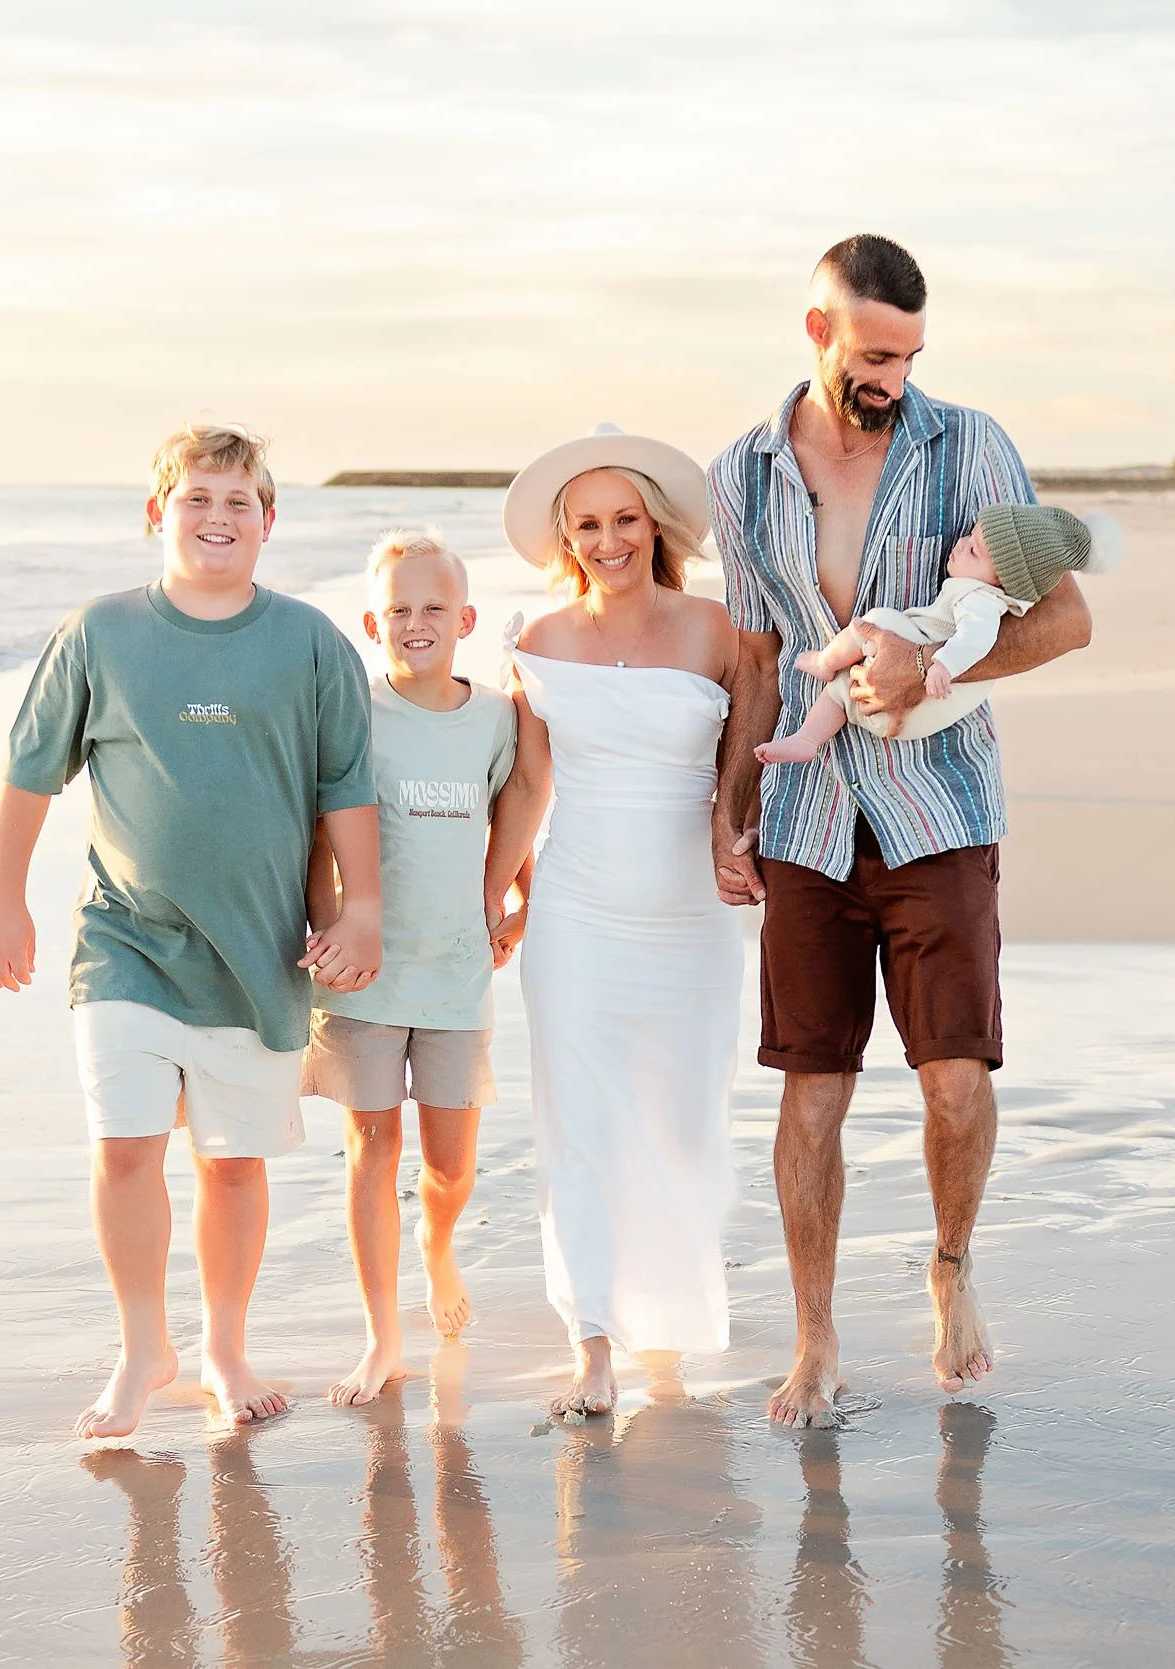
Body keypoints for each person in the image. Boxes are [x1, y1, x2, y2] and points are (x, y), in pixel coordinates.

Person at [706, 235, 1094, 1427]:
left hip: (940, 806)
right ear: (817, 330)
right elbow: (758, 656)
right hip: (809, 822)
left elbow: (1066, 619)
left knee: (952, 1082)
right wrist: (729, 807)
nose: (894, 375)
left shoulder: (968, 443)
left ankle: (952, 1270)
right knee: (809, 1088)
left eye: (911, 354)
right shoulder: (741, 473)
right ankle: (814, 1337)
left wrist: (932, 664)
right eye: (875, 353)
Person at [0, 421, 383, 1441]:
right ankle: (142, 1344)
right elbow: (31, 770)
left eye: (238, 501)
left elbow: (347, 791)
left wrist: (362, 907)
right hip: (126, 942)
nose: (216, 518)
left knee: (232, 1164)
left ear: (269, 522)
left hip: (259, 951)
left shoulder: (310, 643)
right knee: (124, 1147)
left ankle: (224, 1346)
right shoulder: (101, 632)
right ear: (158, 513)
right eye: (196, 498)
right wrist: (3, 898)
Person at [488, 424, 750, 1419]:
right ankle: (592, 1339)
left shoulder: (720, 631)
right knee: (582, 1122)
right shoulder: (539, 643)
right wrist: (490, 897)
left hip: (690, 918)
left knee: (681, 1124)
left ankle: (670, 1325)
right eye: (588, 525)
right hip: (576, 911)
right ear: (566, 538)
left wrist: (744, 840)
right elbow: (526, 784)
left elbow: (749, 767)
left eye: (624, 520)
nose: (608, 541)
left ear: (655, 525)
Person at [302, 531, 520, 1407]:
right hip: (363, 979)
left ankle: (438, 1242)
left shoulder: (498, 718)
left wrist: (518, 910)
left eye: (434, 608)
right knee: (371, 1146)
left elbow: (518, 826)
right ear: (371, 621)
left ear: (465, 619)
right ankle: (383, 1333)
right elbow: (315, 843)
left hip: (457, 974)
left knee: (450, 1165)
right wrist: (329, 932)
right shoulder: (349, 713)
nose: (416, 622)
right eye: (398, 609)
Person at [756, 505, 1121, 764]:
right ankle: (806, 739)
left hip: (919, 706)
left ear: (1003, 581)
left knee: (874, 622)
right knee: (841, 694)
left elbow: (977, 640)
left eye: (974, 550)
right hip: (900, 714)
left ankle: (824, 661)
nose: (960, 544)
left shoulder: (977, 600)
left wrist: (937, 664)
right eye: (968, 536)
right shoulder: (980, 591)